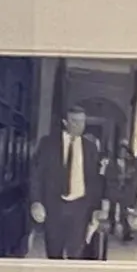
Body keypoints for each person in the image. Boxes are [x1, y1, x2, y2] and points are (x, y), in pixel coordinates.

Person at [32, 105, 101, 260]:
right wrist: (36, 201)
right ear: (65, 122)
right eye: (74, 121)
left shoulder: (90, 148)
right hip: (54, 206)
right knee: (54, 251)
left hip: (80, 208)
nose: (79, 125)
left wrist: (96, 207)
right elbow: (36, 174)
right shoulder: (48, 144)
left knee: (76, 253)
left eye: (82, 122)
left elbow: (95, 179)